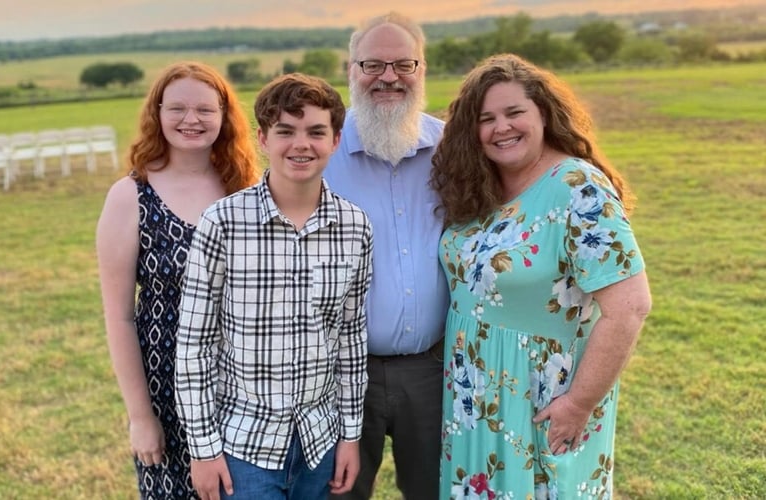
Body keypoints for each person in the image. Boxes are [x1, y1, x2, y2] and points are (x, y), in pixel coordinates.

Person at [429, 53, 652, 498]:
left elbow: (630, 307)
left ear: (544, 115)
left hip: (542, 398)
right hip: (474, 398)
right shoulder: (480, 184)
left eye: (514, 113)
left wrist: (579, 403)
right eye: (486, 118)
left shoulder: (577, 187)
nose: (501, 127)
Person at [174, 73, 374, 500]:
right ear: (263, 138)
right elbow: (194, 345)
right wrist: (203, 450)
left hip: (320, 441)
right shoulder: (223, 222)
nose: (301, 144)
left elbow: (351, 340)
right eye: (286, 131)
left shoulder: (355, 227)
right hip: (243, 447)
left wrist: (350, 435)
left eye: (316, 132)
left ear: (336, 140)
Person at [96, 61, 259, 499]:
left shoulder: (245, 188)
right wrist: (140, 417)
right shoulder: (131, 195)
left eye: (205, 109)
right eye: (178, 108)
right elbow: (120, 319)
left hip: (247, 390)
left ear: (224, 116)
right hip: (166, 392)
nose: (192, 120)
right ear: (158, 112)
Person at [323, 11, 449, 500]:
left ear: (422, 70)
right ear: (350, 69)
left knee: (436, 492)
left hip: (435, 370)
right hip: (341, 374)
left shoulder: (453, 148)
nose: (389, 77)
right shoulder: (319, 153)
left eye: (404, 64)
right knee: (339, 494)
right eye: (372, 64)